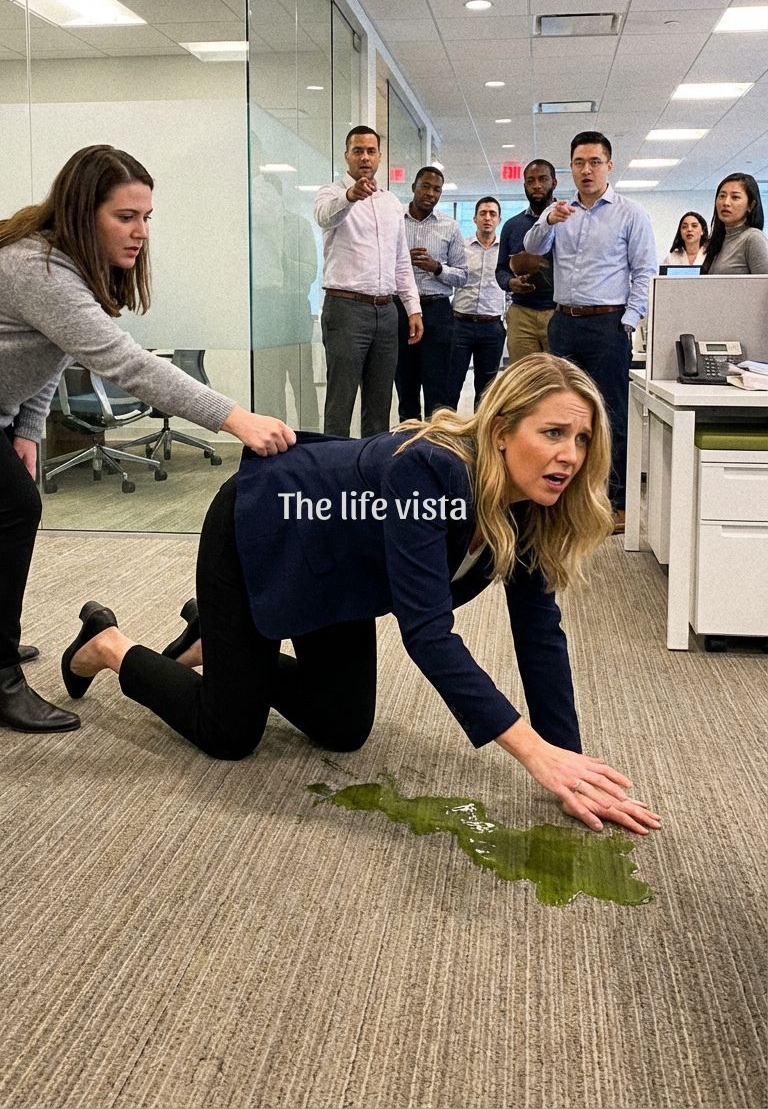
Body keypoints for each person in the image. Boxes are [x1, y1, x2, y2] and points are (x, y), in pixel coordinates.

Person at [61, 355, 661, 837]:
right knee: (229, 733)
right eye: (553, 432)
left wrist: (569, 763)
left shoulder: (530, 505)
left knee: (343, 727)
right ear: (502, 431)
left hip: (340, 569)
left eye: (582, 439)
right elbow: (428, 635)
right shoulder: (430, 471)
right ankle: (110, 643)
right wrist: (532, 753)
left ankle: (218, 634)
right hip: (264, 528)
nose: (570, 455)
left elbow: (538, 635)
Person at [0, 144, 295, 735]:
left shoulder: (66, 266)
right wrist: (234, 417)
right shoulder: (40, 269)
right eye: (125, 217)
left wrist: (27, 428)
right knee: (15, 507)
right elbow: (125, 363)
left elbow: (51, 353)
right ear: (83, 213)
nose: (141, 232)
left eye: (146, 217)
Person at [524, 131, 657, 535]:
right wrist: (548, 219)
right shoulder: (560, 212)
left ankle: (616, 502)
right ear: (571, 167)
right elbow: (532, 248)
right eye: (579, 162)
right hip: (564, 322)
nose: (587, 170)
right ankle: (564, 498)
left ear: (609, 166)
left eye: (595, 162)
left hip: (607, 324)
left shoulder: (630, 214)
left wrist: (628, 321)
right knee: (559, 412)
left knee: (610, 415)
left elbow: (645, 272)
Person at [315, 127, 422, 437]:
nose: (365, 157)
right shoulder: (331, 193)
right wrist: (350, 196)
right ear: (346, 155)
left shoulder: (391, 203)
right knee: (341, 400)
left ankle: (372, 462)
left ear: (379, 157)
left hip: (386, 312)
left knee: (380, 403)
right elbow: (325, 216)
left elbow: (401, 260)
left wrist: (413, 308)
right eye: (358, 151)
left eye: (370, 151)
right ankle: (334, 463)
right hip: (346, 309)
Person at [395, 166, 467, 421]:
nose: (430, 193)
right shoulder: (394, 220)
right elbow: (378, 266)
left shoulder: (450, 226)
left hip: (438, 312)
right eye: (425, 186)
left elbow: (463, 276)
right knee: (405, 386)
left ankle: (436, 441)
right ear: (413, 187)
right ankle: (408, 440)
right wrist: (402, 261)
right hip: (401, 310)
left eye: (437, 189)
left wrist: (437, 268)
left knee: (438, 389)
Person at [447, 197, 506, 409]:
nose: (487, 218)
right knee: (450, 384)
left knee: (486, 391)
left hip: (492, 327)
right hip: (460, 324)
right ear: (474, 219)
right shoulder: (461, 248)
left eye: (492, 214)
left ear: (499, 220)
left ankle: (480, 429)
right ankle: (446, 428)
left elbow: (510, 285)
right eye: (483, 213)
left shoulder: (505, 251)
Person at [495, 160, 557, 363]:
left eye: (542, 179)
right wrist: (510, 283)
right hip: (521, 314)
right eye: (530, 181)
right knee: (524, 376)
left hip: (558, 313)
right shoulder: (512, 226)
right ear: (524, 186)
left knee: (558, 376)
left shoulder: (567, 221)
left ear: (554, 182)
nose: (536, 185)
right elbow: (501, 269)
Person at [700, 174, 768, 276]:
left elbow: (764, 283)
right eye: (722, 196)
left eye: (735, 197)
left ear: (751, 205)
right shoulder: (719, 239)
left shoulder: (753, 238)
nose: (726, 203)